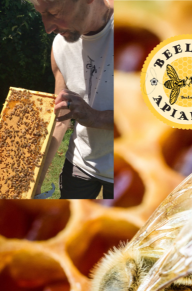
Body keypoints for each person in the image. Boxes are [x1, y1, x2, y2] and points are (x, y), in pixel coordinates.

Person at [31, 0, 114, 199]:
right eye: (42, 13)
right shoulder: (60, 46)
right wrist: (36, 182)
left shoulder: (139, 30)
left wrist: (95, 117)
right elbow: (60, 119)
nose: (47, 28)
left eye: (54, 12)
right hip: (79, 164)